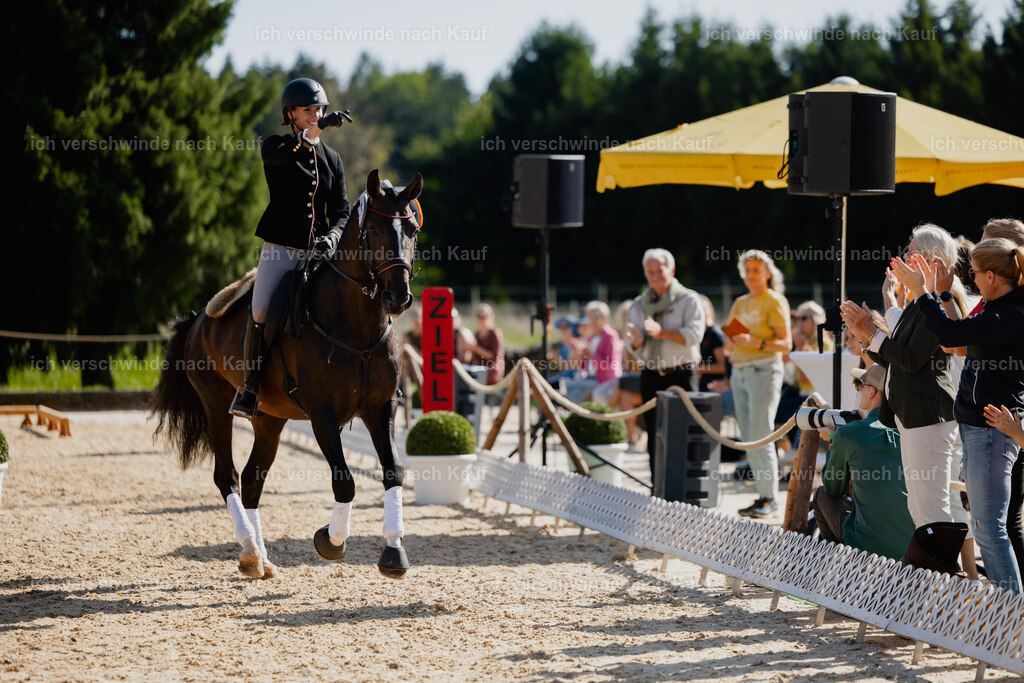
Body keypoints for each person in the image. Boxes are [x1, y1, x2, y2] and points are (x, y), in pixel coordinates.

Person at [890, 238, 1024, 593]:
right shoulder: (998, 306)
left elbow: (949, 334)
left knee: (990, 529)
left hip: (992, 429)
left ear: (993, 276)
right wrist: (945, 297)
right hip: (980, 426)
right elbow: (955, 342)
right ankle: (1009, 608)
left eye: (976, 273)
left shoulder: (1009, 314)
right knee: (988, 527)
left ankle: (1012, 610)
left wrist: (924, 293)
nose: (973, 279)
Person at [840, 224, 973, 573]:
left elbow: (912, 360)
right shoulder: (920, 302)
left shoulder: (938, 304)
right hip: (916, 417)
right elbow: (897, 360)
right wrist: (867, 336)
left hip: (929, 417)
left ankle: (942, 586)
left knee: (931, 508)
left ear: (930, 260)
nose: (904, 256)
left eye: (911, 250)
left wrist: (871, 333)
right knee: (922, 507)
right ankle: (936, 584)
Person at [229, 78, 351, 418]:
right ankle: (249, 388)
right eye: (308, 110)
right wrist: (309, 137)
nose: (315, 115)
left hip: (319, 255)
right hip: (282, 249)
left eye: (319, 110)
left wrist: (334, 237)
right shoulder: (276, 148)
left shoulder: (333, 160)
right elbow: (285, 157)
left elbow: (341, 211)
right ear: (290, 114)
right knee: (261, 310)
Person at [811, 364, 916, 560]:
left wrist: (837, 440)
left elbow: (834, 488)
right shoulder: (914, 432)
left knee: (822, 495)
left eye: (861, 385)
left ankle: (839, 569)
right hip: (911, 546)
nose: (858, 391)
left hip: (866, 544)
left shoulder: (850, 433)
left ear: (873, 391)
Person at [625, 249, 706, 476]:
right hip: (650, 373)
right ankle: (658, 484)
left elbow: (694, 335)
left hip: (681, 373)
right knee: (654, 432)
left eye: (659, 270)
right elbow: (631, 343)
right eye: (649, 272)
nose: (655, 276)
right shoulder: (639, 305)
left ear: (671, 270)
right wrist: (639, 342)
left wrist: (662, 333)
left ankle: (686, 485)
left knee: (686, 430)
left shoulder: (688, 299)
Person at [724, 249, 791, 519]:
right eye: (747, 269)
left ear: (767, 273)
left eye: (756, 269)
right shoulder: (740, 303)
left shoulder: (774, 300)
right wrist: (736, 342)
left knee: (762, 434)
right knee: (749, 436)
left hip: (764, 370)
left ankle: (769, 498)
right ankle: (762, 496)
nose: (751, 274)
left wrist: (755, 343)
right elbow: (729, 341)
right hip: (738, 371)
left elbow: (787, 345)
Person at [562, 301, 623, 405]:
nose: (592, 321)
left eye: (596, 317)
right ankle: (581, 418)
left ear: (605, 319)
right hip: (591, 378)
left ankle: (578, 418)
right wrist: (579, 353)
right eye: (590, 317)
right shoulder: (591, 337)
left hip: (607, 381)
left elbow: (610, 365)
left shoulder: (610, 336)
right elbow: (584, 364)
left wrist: (590, 355)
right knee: (571, 387)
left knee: (571, 387)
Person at [466, 303, 505, 385]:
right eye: (480, 316)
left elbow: (493, 356)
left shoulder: (494, 333)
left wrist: (476, 348)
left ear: (491, 317)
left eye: (484, 316)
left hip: (492, 373)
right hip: (479, 370)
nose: (482, 320)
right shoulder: (477, 334)